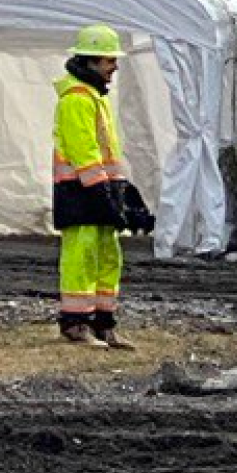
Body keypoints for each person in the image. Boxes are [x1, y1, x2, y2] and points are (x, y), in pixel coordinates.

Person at [52, 24, 155, 347]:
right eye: (110, 60)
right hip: (79, 192)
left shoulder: (94, 97)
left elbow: (105, 152)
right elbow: (83, 152)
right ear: (92, 61)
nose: (115, 67)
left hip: (96, 190)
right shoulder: (77, 99)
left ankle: (103, 323)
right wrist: (103, 193)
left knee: (108, 256)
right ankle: (75, 324)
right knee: (81, 257)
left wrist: (122, 190)